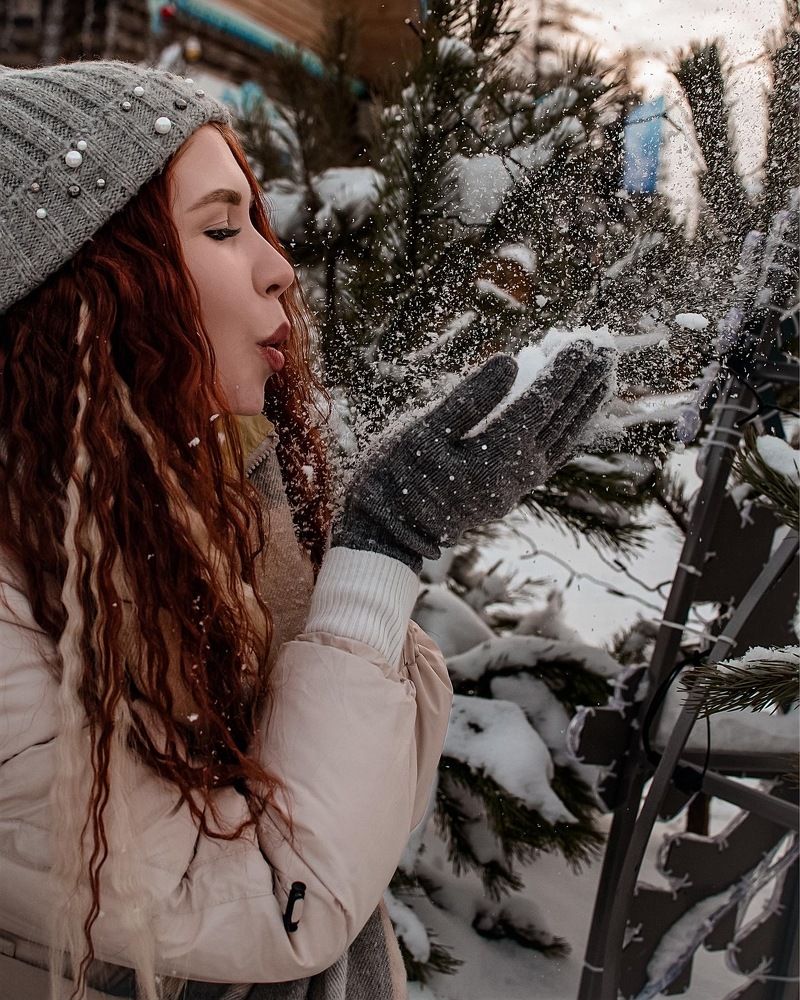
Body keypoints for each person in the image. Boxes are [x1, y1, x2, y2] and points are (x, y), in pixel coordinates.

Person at [0, 60, 615, 1000]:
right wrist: (382, 547)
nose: (279, 268)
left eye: (255, 220)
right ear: (84, 288)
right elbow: (279, 901)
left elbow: (355, 804)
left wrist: (328, 545)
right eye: (220, 228)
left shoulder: (161, 499)